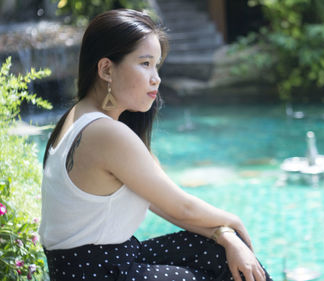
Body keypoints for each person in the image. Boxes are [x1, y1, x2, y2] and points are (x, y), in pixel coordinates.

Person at [39, 9, 272, 281]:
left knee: (214, 252)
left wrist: (224, 236)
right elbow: (182, 208)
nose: (156, 78)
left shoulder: (78, 117)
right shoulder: (104, 133)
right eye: (145, 63)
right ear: (106, 69)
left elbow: (166, 203)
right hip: (100, 273)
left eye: (157, 66)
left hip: (103, 262)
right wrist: (234, 223)